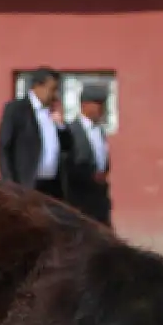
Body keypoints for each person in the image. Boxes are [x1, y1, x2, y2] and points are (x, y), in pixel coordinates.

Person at [0, 67, 68, 199]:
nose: (55, 95)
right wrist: (9, 182)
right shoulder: (17, 109)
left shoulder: (53, 113)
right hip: (27, 184)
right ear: (38, 86)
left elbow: (67, 148)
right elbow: (4, 147)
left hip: (53, 186)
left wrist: (61, 126)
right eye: (52, 89)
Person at [64, 83, 113, 225]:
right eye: (98, 103)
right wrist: (90, 176)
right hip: (80, 199)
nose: (102, 108)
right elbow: (69, 165)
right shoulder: (71, 131)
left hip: (100, 198)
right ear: (85, 105)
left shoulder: (100, 131)